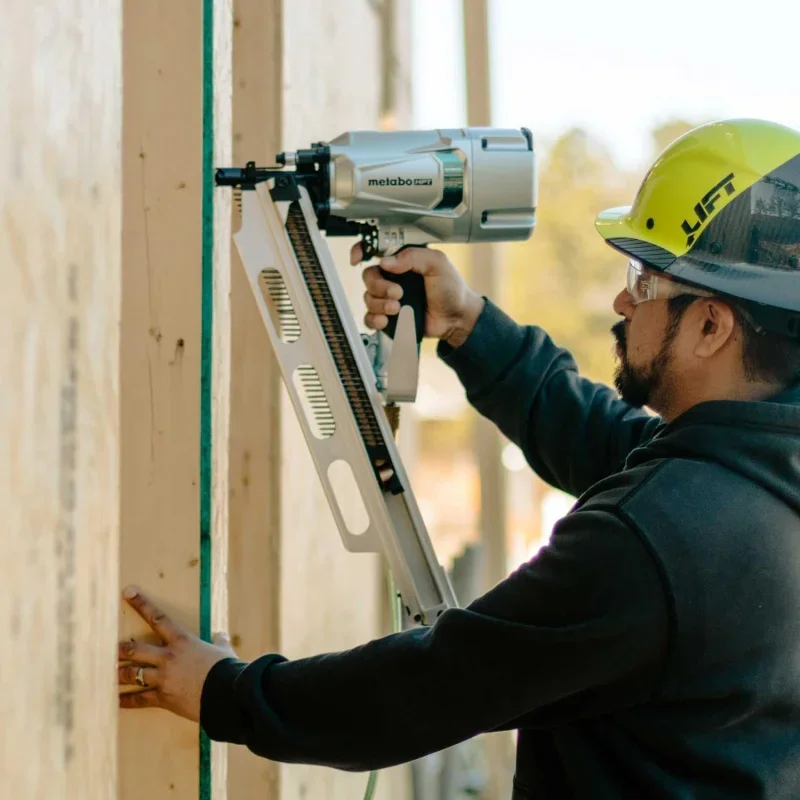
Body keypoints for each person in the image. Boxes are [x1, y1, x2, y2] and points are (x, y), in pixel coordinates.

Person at [118, 118, 800, 798]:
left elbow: (430, 688)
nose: (623, 301)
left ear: (712, 325)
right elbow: (605, 439)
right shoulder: (758, 481)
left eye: (645, 279)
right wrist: (467, 324)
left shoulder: (653, 544)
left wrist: (225, 692)